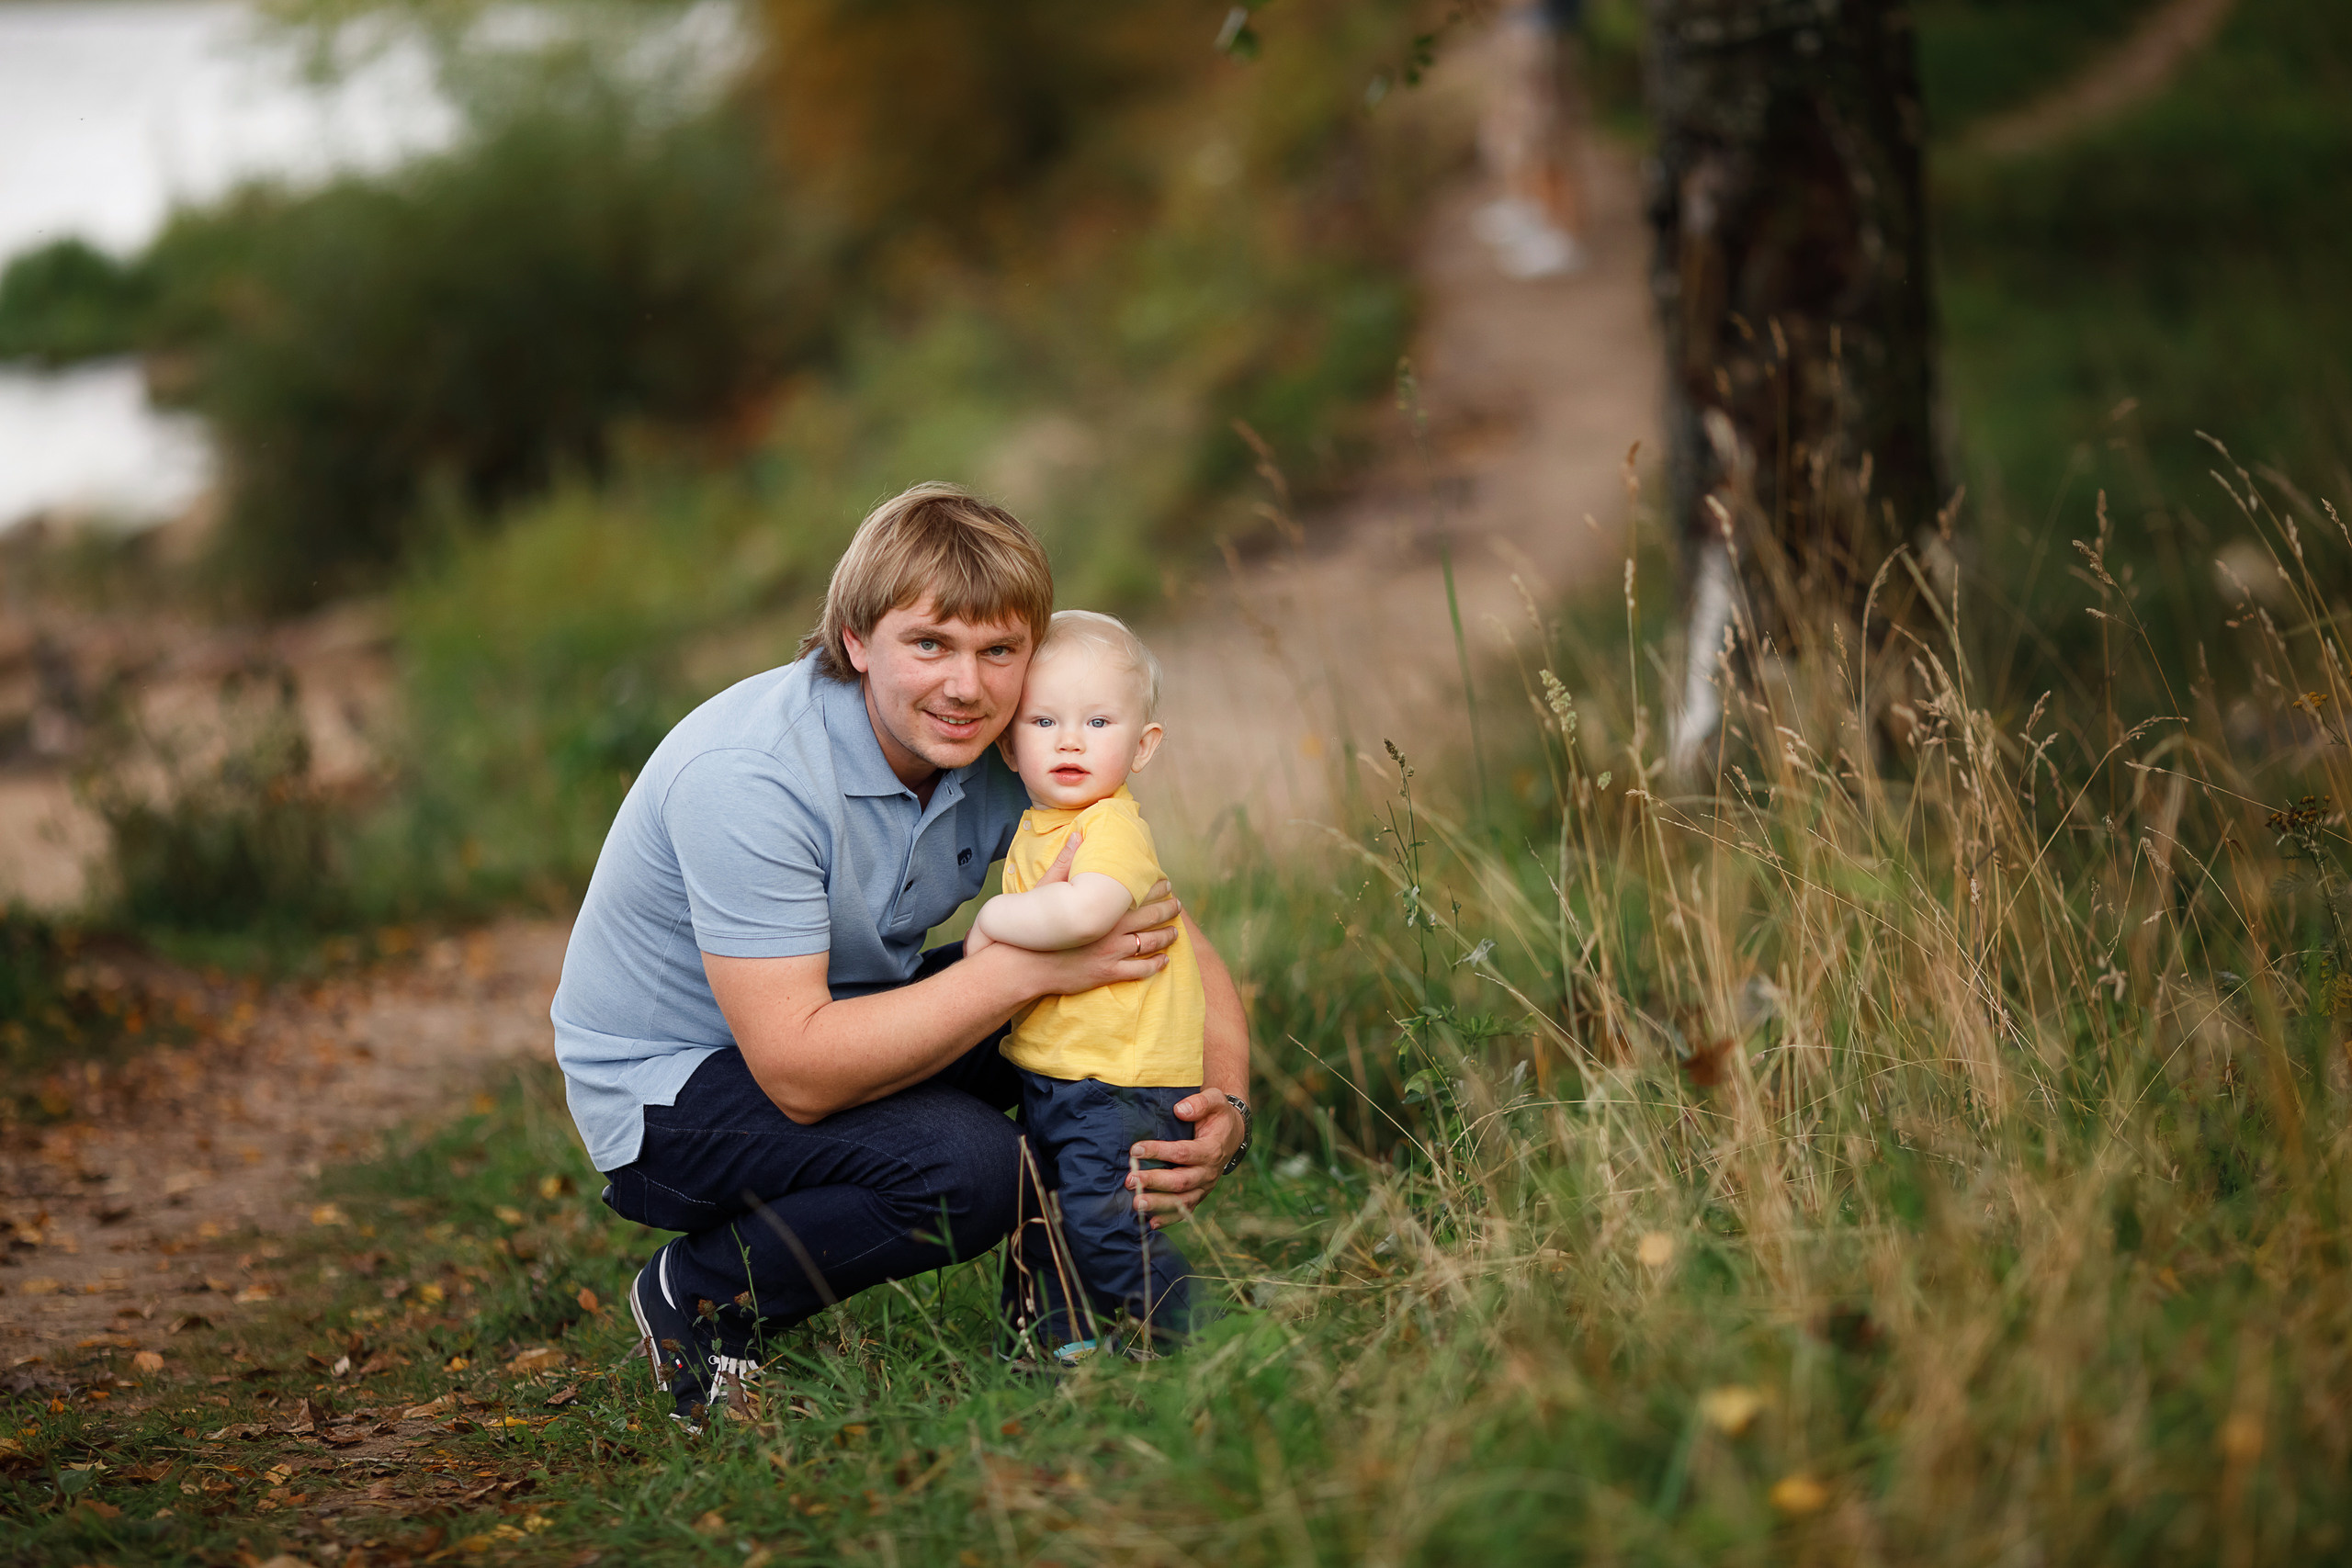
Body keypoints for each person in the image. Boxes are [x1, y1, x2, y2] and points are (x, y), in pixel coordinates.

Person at [549, 483, 1253, 1431]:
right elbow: (798, 1072)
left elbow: (1165, 936)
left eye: (998, 650)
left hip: (838, 1017)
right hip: (671, 1097)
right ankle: (702, 1295)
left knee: (1098, 1004)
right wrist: (1022, 974)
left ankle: (1060, 1319)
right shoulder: (749, 778)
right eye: (930, 644)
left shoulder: (1005, 748)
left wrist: (1221, 1102)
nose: (966, 686)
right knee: (974, 1167)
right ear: (856, 642)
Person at [966, 611, 1208, 1362]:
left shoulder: (1111, 826)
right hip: (1060, 1070)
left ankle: (1198, 1338)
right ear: (1009, 742)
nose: (1070, 740)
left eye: (1098, 721)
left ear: (1142, 746)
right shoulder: (1040, 824)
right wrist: (996, 931)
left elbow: (1086, 910)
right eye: (1044, 720)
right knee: (1042, 1217)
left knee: (1105, 1221)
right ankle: (1063, 1343)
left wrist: (997, 916)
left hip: (1120, 1080)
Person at [1474, 0, 1590, 279]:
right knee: (1525, 126)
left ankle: (1560, 233)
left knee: (1546, 132)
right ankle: (1535, 214)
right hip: (1528, 22)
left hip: (1540, 23)